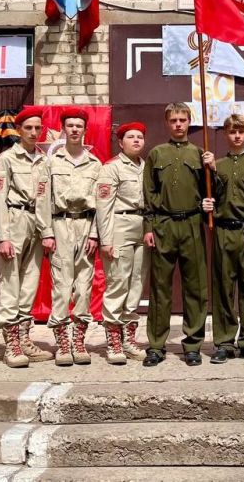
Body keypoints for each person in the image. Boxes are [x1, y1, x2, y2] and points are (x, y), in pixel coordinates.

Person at [142, 102, 210, 367]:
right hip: (164, 224)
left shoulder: (200, 153)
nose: (179, 124)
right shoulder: (157, 154)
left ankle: (192, 344)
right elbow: (148, 194)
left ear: (189, 121)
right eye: (174, 120)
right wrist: (149, 228)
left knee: (195, 287)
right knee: (160, 289)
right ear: (167, 123)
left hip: (192, 223)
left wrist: (211, 167)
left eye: (183, 120)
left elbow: (211, 191)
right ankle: (156, 345)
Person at [201, 114, 244, 365]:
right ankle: (224, 342)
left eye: (241, 131)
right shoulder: (215, 165)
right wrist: (208, 197)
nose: (237, 136)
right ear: (226, 135)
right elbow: (210, 197)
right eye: (232, 132)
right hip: (222, 232)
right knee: (223, 289)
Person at [38, 107, 101, 366]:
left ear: (85, 130)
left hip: (86, 225)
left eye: (79, 126)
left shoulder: (95, 164)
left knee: (84, 288)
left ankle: (79, 340)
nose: (75, 129)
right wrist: (46, 231)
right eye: (70, 125)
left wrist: (96, 234)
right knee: (62, 287)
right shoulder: (51, 162)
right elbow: (43, 199)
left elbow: (102, 203)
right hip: (61, 224)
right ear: (63, 130)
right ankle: (62, 341)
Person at [0, 106, 54, 368]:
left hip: (37, 222)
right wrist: (3, 235)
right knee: (10, 281)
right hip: (14, 218)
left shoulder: (44, 160)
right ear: (19, 130)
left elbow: (46, 198)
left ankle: (24, 337)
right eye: (28, 127)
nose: (33, 132)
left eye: (38, 128)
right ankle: (11, 344)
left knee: (30, 281)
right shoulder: (6, 158)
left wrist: (47, 231)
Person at [95, 121, 150, 365]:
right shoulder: (112, 168)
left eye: (140, 136)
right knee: (118, 282)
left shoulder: (146, 167)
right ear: (121, 142)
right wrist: (106, 239)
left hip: (141, 226)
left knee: (136, 282)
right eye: (131, 137)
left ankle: (129, 338)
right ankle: (113, 341)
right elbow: (103, 206)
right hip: (120, 225)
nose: (136, 140)